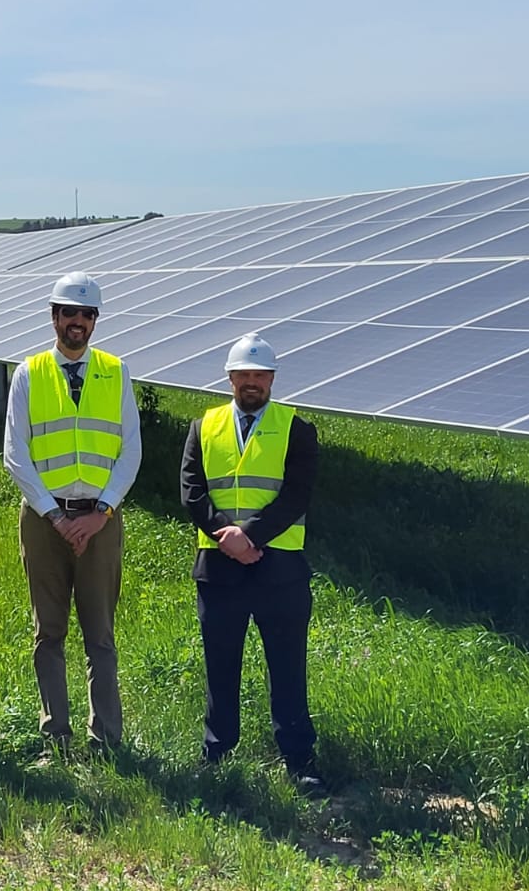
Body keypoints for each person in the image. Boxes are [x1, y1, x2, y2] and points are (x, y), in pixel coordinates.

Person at [3, 272, 141, 754]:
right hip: (45, 521)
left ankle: (106, 738)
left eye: (86, 315)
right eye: (69, 313)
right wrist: (56, 516)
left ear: (95, 321)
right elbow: (15, 453)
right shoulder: (29, 372)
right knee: (49, 630)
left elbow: (131, 450)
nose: (77, 322)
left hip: (100, 521)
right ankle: (55, 735)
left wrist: (101, 511)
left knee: (100, 633)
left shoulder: (116, 371)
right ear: (54, 317)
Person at [181, 333, 323, 793]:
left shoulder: (296, 428)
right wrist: (229, 537)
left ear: (272, 379)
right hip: (220, 568)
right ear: (230, 378)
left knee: (287, 667)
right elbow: (192, 492)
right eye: (243, 374)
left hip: (278, 569)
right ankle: (217, 753)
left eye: (259, 375)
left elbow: (297, 496)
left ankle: (299, 760)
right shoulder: (203, 426)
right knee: (220, 665)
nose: (251, 382)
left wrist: (251, 536)